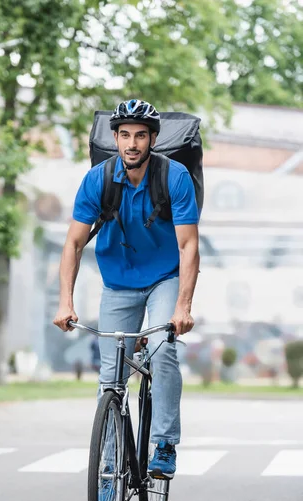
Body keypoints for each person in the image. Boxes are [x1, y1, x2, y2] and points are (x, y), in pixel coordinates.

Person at [53, 99, 200, 479]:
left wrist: (182, 306)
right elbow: (72, 244)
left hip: (164, 278)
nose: (131, 143)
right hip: (118, 284)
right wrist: (65, 303)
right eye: (124, 136)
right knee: (110, 379)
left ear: (152, 139)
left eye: (139, 135)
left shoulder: (175, 177)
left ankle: (164, 443)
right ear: (114, 139)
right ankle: (109, 466)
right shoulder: (98, 180)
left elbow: (188, 246)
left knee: (162, 350)